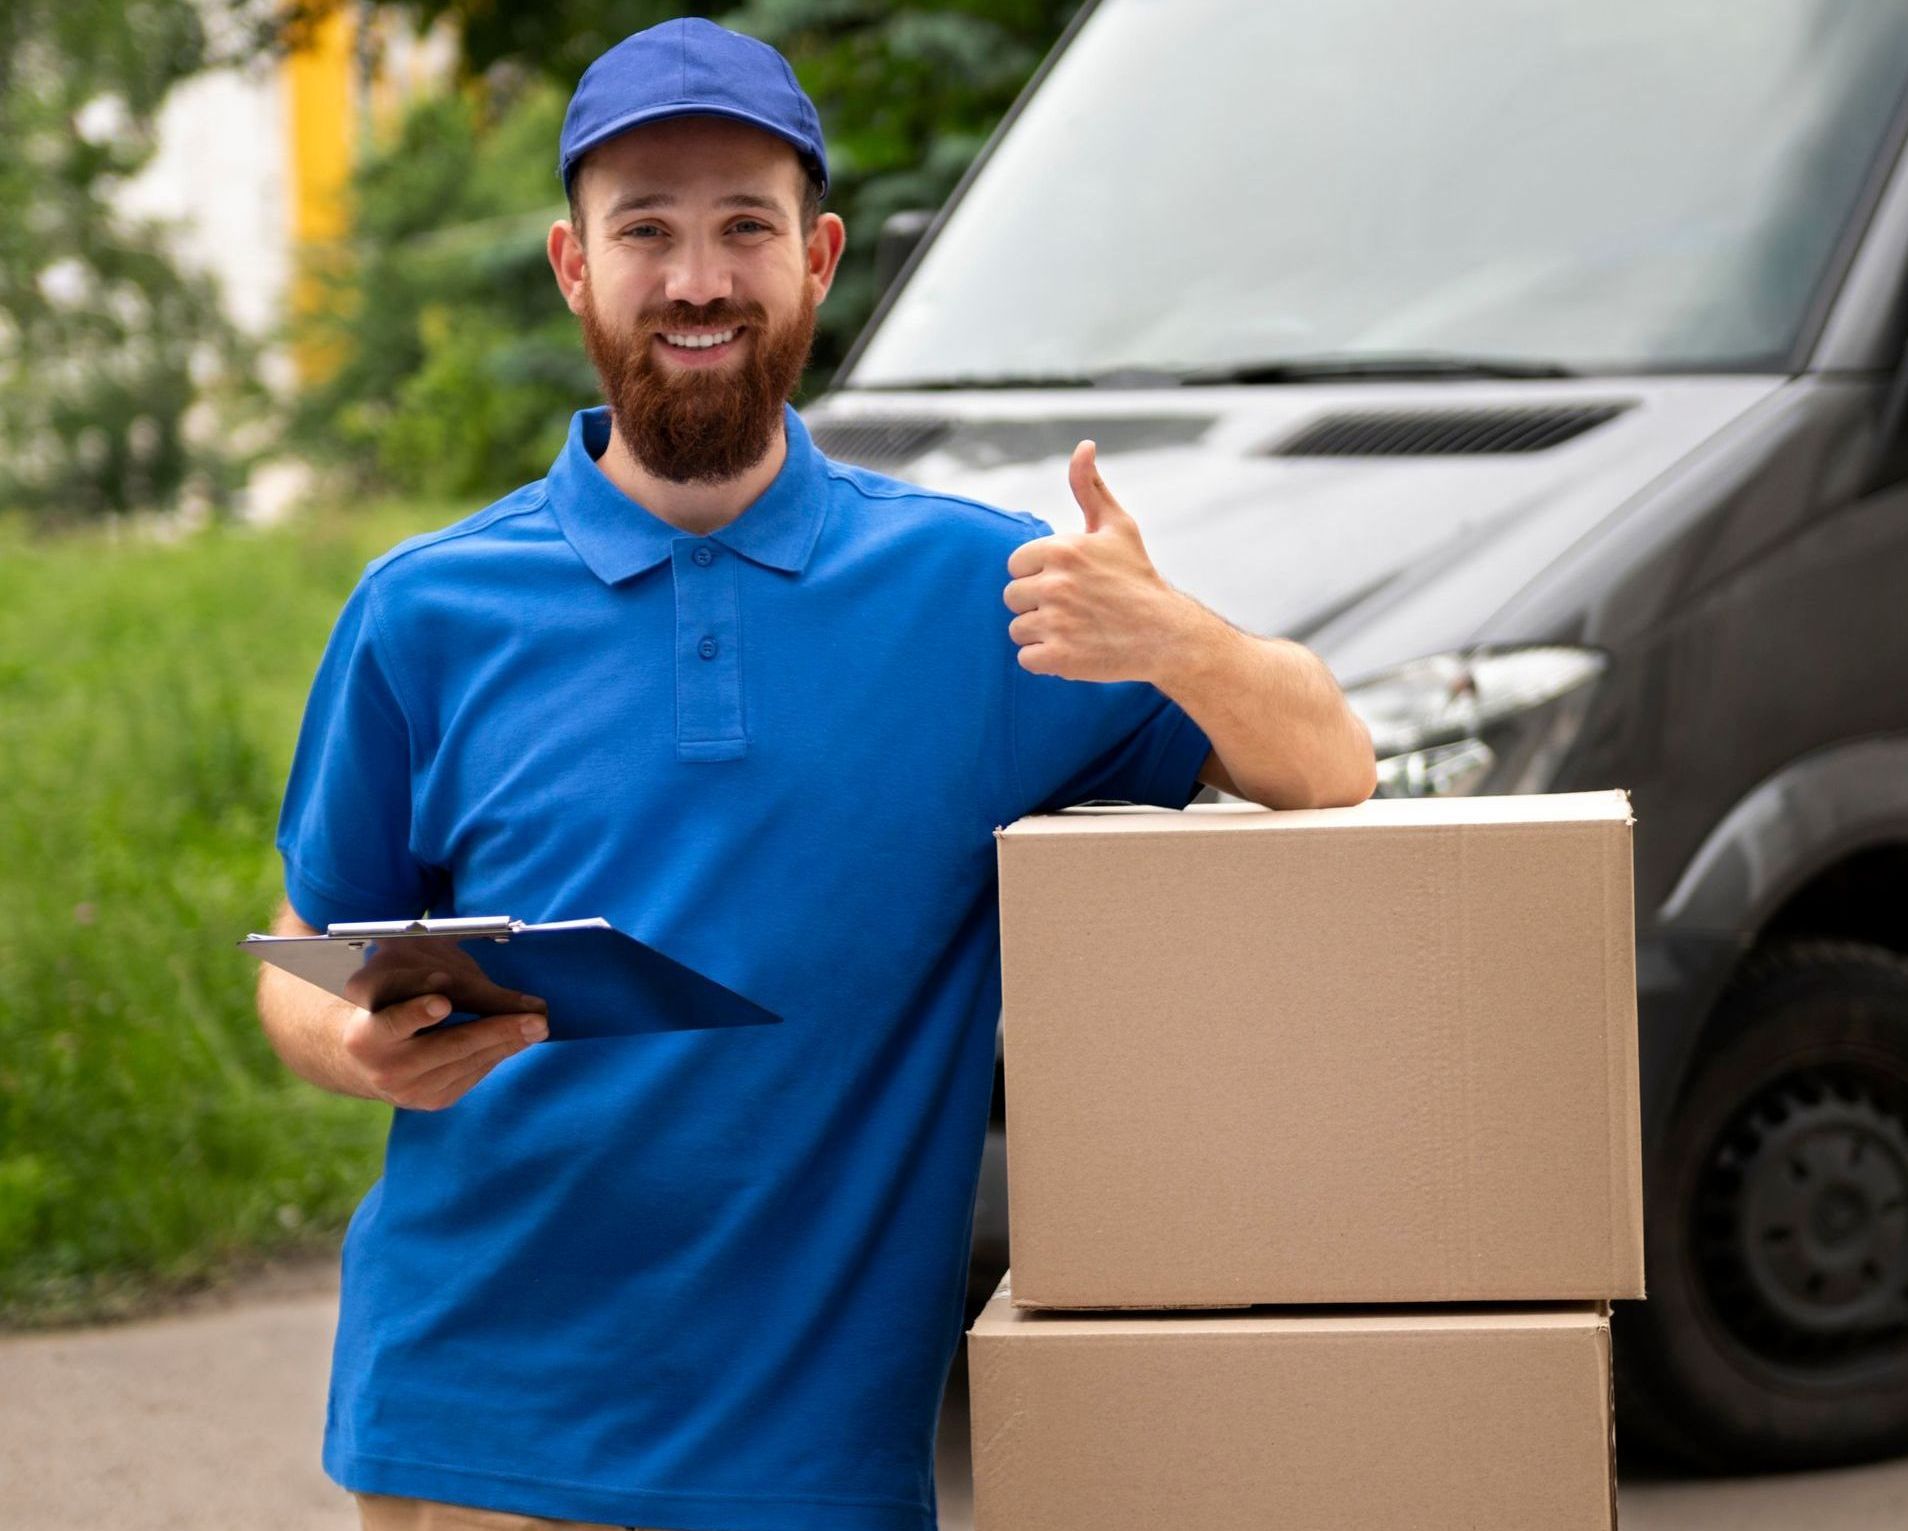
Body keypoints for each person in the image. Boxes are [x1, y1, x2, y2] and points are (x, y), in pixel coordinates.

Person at [256, 17, 1376, 1531]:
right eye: (644, 229)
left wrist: (1181, 643)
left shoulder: (981, 599)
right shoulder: (424, 610)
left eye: (744, 227)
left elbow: (1331, 764)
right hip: (471, 1429)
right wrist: (360, 1049)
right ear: (574, 267)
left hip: (814, 1461)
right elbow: (308, 959)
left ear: (820, 258)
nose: (698, 278)